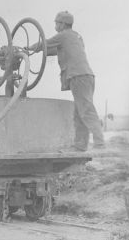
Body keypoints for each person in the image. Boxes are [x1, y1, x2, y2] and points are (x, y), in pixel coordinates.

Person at [31, 11, 105, 151]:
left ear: (63, 24)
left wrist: (30, 47)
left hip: (78, 76)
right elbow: (56, 50)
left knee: (86, 110)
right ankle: (80, 145)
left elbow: (45, 44)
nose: (55, 26)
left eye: (56, 23)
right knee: (79, 113)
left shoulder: (63, 35)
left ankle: (100, 143)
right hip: (87, 76)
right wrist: (42, 50)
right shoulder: (76, 36)